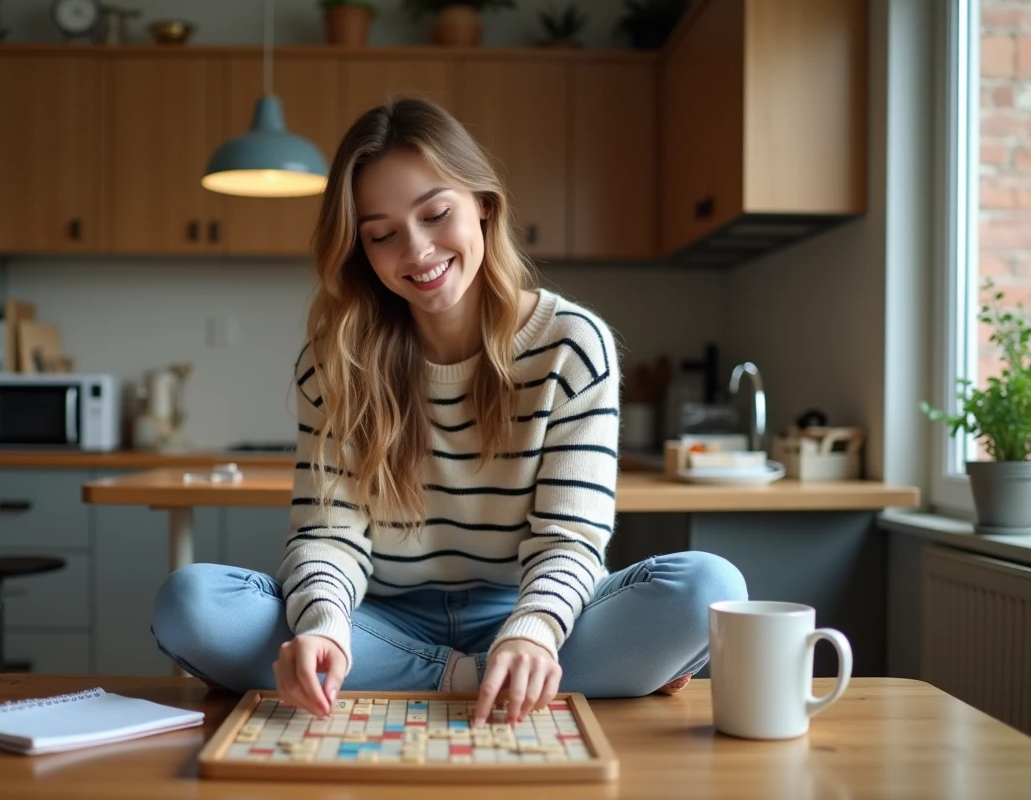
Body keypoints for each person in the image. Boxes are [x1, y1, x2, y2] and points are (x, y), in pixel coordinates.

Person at [152, 97, 748, 726]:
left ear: (483, 204)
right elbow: (327, 535)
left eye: (436, 214)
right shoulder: (334, 363)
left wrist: (534, 631)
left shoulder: (572, 345)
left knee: (710, 591)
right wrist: (326, 627)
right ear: (359, 249)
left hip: (531, 610)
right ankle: (489, 679)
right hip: (379, 619)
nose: (417, 250)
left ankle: (486, 670)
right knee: (191, 604)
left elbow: (568, 538)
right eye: (382, 234)